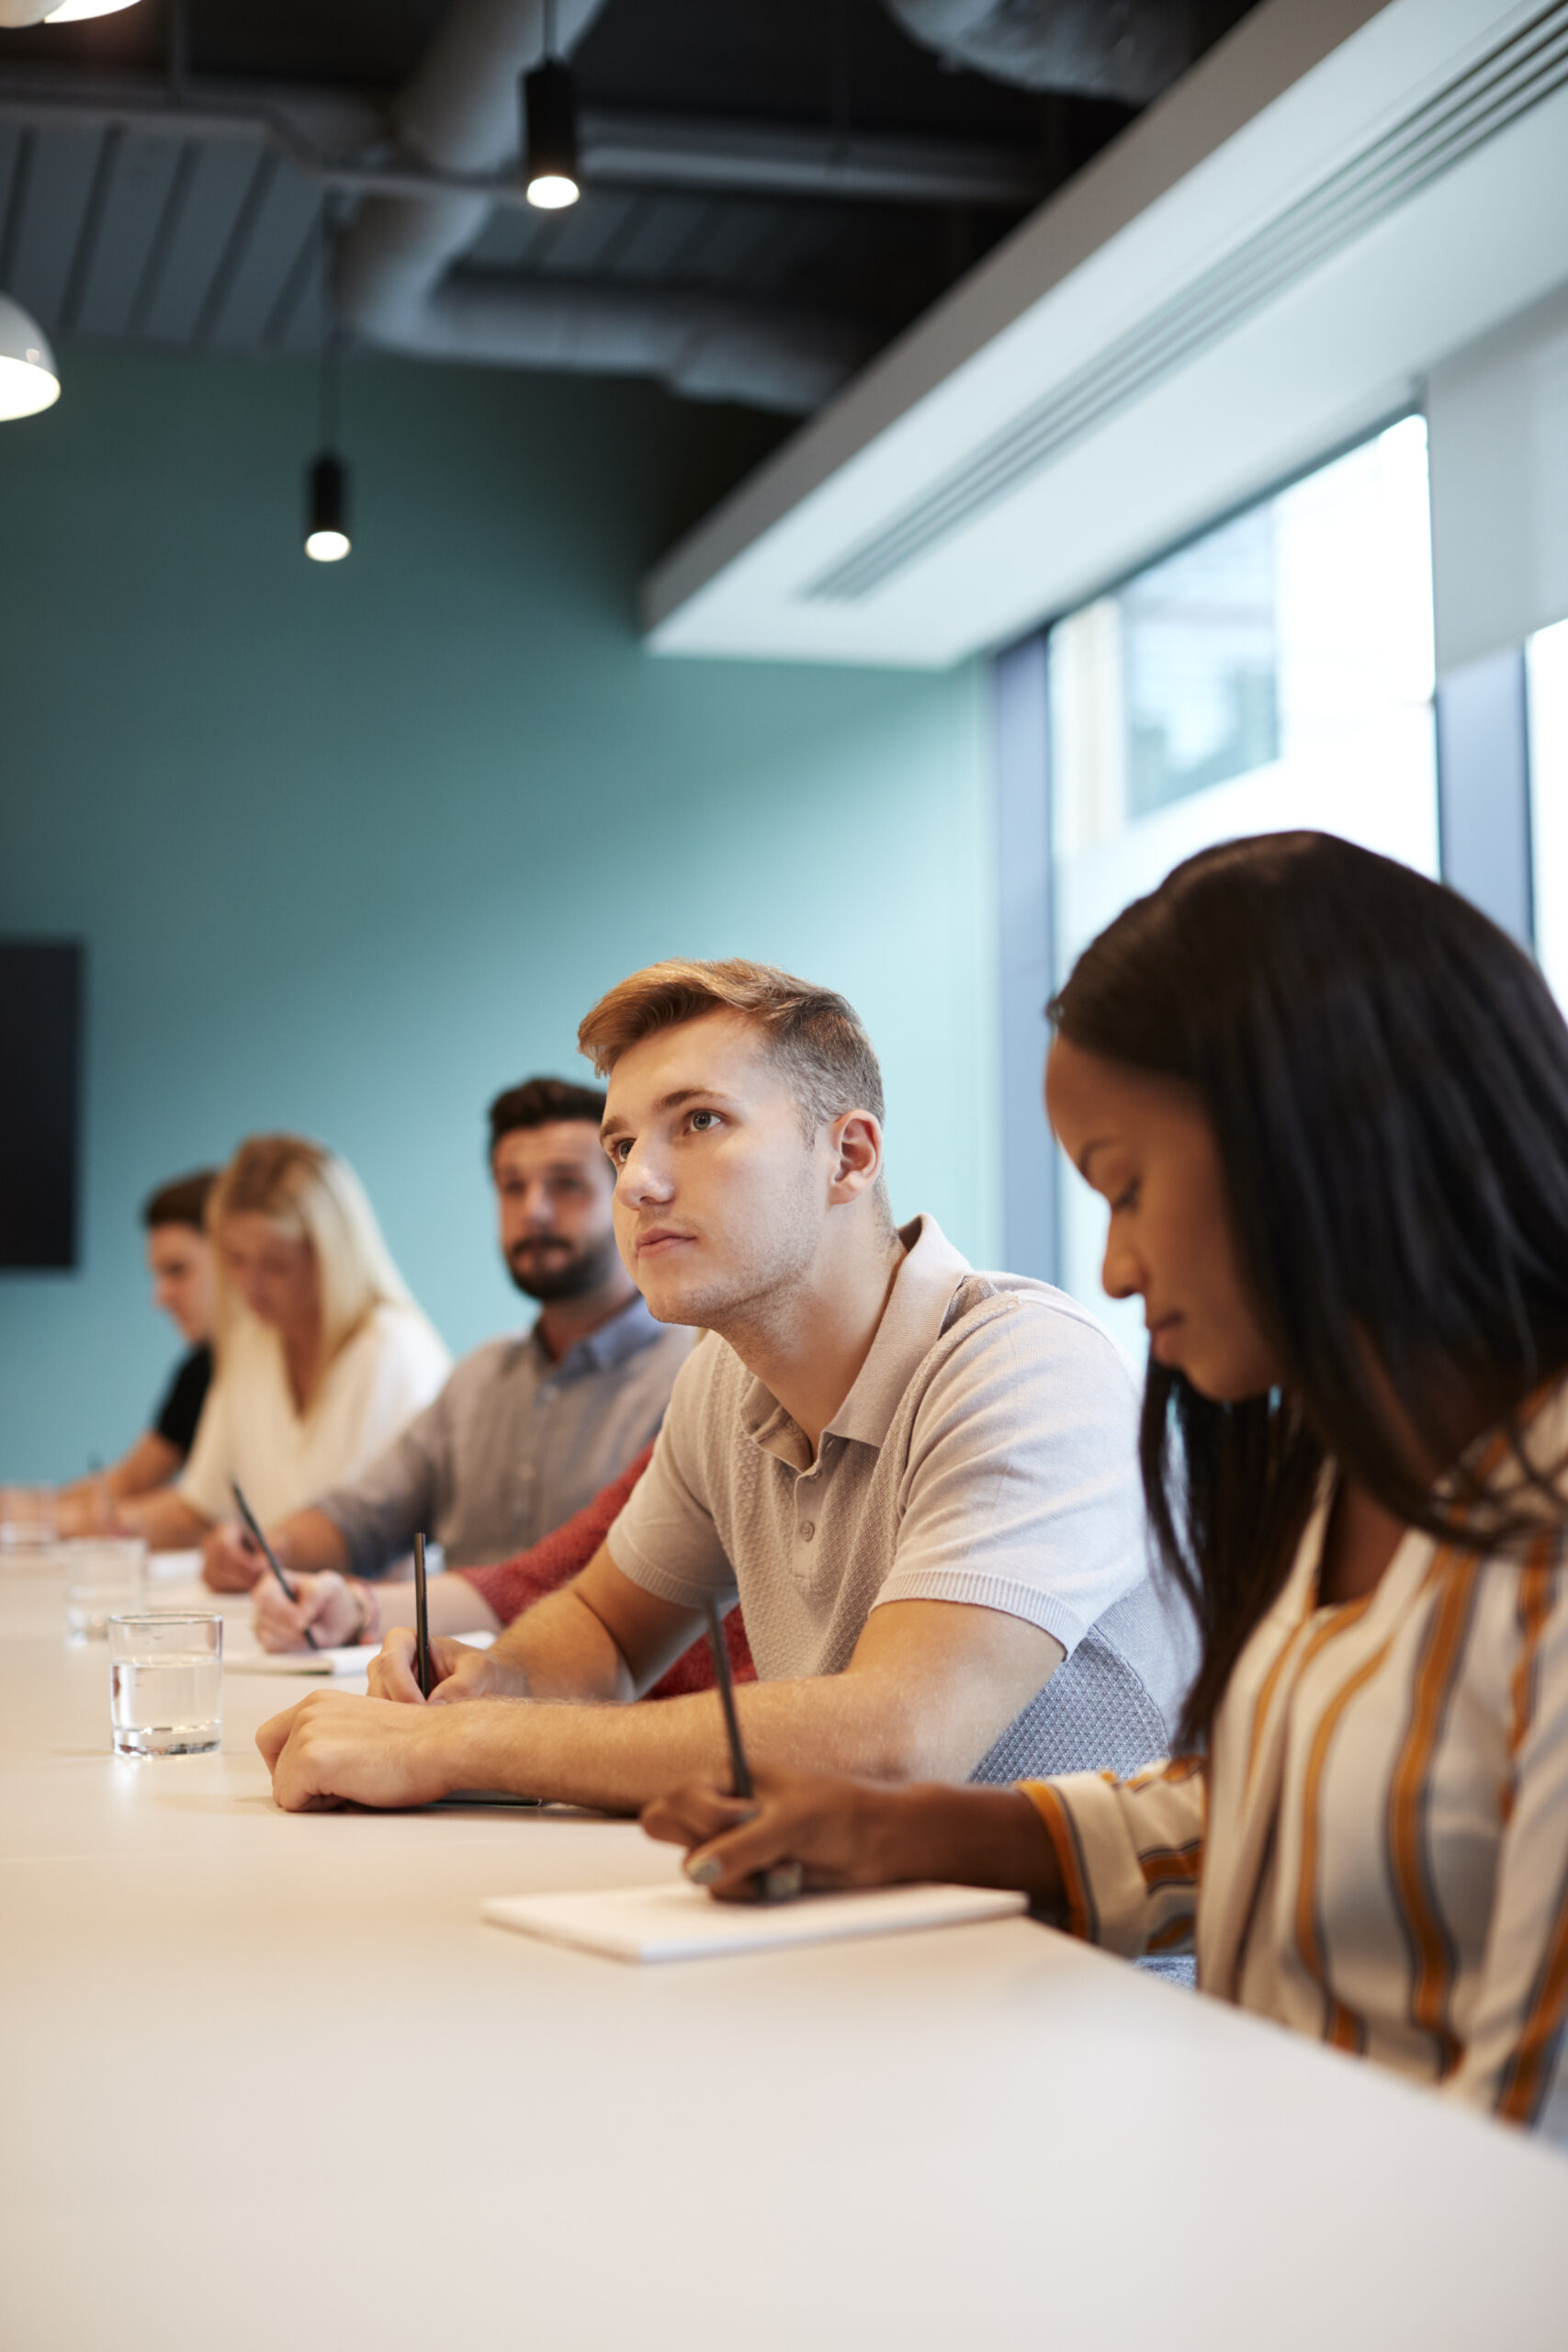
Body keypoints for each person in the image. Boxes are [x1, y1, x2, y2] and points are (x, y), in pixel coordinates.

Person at [642, 836, 1568, 2142]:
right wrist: (909, 1836)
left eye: (1126, 1189)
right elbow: (1269, 1805)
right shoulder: (1348, 1468)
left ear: (1313, 1137)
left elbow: (1520, 2153)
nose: (1118, 1267)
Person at [258, 956, 1188, 1814]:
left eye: (699, 1121)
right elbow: (606, 1627)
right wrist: (497, 1685)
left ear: (850, 1157)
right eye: (621, 1146)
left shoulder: (1025, 1367)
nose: (637, 1183)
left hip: (1076, 1978)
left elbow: (898, 1743)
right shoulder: (724, 1379)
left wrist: (465, 1742)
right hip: (854, 1939)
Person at [223, 1078, 692, 1611]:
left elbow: (642, 1596)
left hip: (607, 1687)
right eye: (512, 1187)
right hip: (446, 1682)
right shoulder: (479, 1378)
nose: (533, 1210)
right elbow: (363, 1517)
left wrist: (367, 1609)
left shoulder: (689, 1380)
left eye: (565, 1185)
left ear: (626, 1196)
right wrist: (269, 1549)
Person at [122, 1135, 450, 1552]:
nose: (250, 1287)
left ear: (331, 1256)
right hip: (279, 1606)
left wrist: (265, 1555)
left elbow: (393, 1548)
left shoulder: (393, 1353)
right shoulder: (251, 1345)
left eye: (276, 1265)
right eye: (235, 1260)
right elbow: (199, 1510)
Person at [255, 1439, 757, 1697]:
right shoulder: (709, 1396)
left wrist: (490, 1739)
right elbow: (539, 1586)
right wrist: (358, 1609)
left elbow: (819, 1730)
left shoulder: (679, 1369)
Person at [55, 1170, 219, 1534]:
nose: (161, 1297)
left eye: (178, 1270)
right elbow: (131, 1481)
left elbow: (197, 1513)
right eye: (158, 1275)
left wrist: (46, 1522)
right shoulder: (202, 1369)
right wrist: (28, 1510)